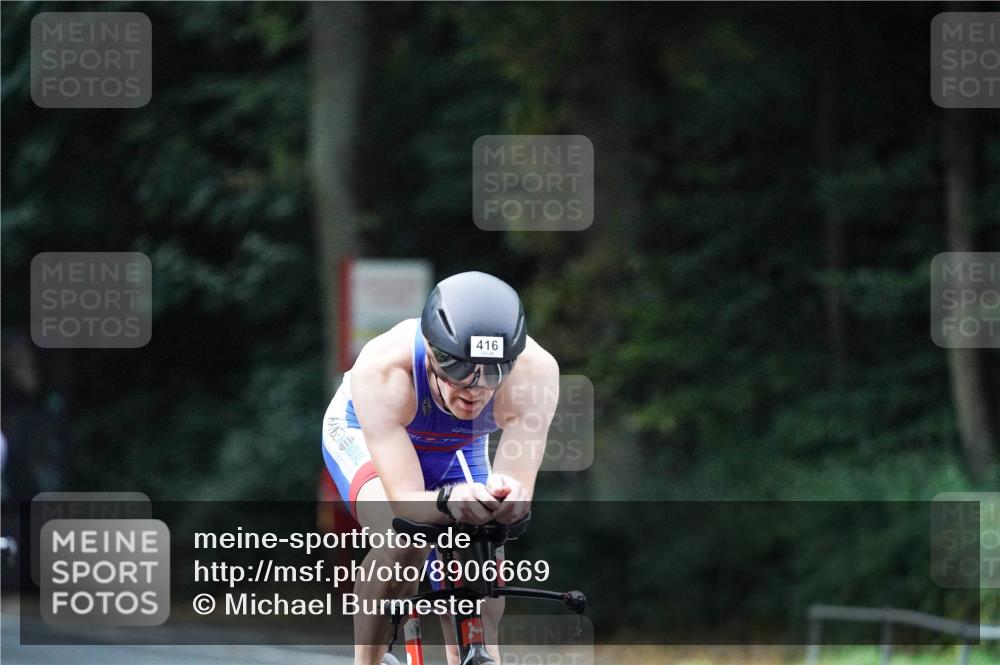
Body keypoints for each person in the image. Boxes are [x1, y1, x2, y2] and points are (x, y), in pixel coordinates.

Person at [322, 271, 559, 665]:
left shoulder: (536, 373)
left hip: (456, 446)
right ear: (434, 355)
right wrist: (448, 501)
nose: (475, 390)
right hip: (360, 432)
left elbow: (518, 491)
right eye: (460, 372)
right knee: (402, 540)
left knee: (485, 549)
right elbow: (404, 503)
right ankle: (368, 659)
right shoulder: (383, 369)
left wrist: (508, 499)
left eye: (493, 374)